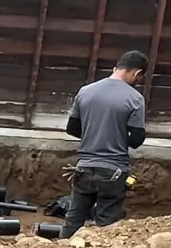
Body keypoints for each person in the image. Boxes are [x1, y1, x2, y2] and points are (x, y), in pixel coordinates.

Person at [61, 51, 149, 236]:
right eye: (140, 78)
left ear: (116, 68)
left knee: (73, 220)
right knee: (106, 228)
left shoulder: (85, 91)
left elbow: (72, 128)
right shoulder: (135, 99)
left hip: (84, 168)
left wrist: (94, 134)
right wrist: (116, 135)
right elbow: (136, 140)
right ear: (137, 73)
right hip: (114, 171)